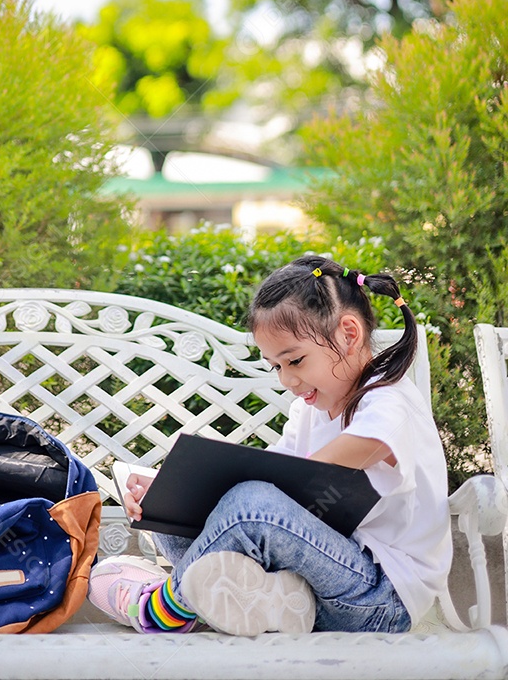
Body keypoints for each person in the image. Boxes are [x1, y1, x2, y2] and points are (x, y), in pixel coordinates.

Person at [88, 255, 452, 636]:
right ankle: (261, 602)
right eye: (276, 366)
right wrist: (174, 492)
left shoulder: (390, 403)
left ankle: (160, 610)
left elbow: (293, 487)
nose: (287, 380)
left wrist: (220, 487)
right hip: (309, 588)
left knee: (253, 504)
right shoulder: (309, 409)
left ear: (349, 334)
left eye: (294, 360)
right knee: (173, 509)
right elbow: (276, 476)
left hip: (379, 599)